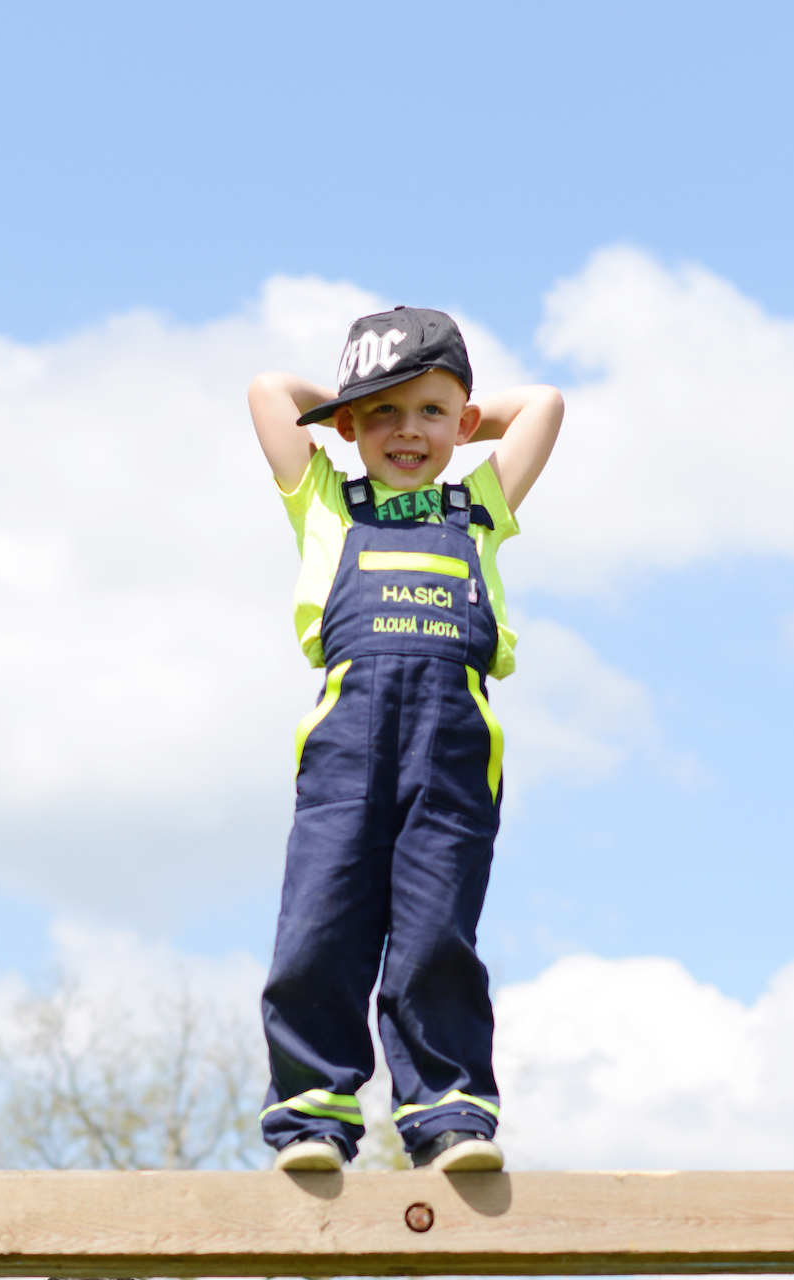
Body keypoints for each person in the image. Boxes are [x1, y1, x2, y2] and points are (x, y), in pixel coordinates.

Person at [248, 306, 563, 1172]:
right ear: (347, 427)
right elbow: (270, 391)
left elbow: (542, 404)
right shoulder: (326, 500)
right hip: (345, 744)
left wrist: (457, 421)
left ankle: (447, 1116)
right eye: (382, 414)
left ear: (464, 424)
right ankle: (312, 1117)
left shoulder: (479, 507)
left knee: (434, 936)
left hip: (453, 743)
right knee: (319, 927)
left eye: (431, 413)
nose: (408, 431)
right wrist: (349, 407)